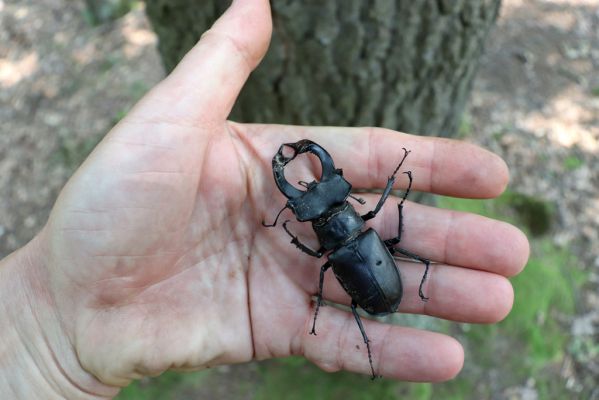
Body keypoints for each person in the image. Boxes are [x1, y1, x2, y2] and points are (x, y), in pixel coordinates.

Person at [0, 0, 529, 398]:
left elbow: (322, 254)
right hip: (376, 282)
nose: (327, 206)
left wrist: (42, 333)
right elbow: (367, 223)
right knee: (385, 251)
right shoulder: (355, 235)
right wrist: (397, 185)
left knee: (355, 268)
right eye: (325, 207)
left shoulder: (331, 253)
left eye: (327, 205)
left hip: (373, 283)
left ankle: (371, 330)